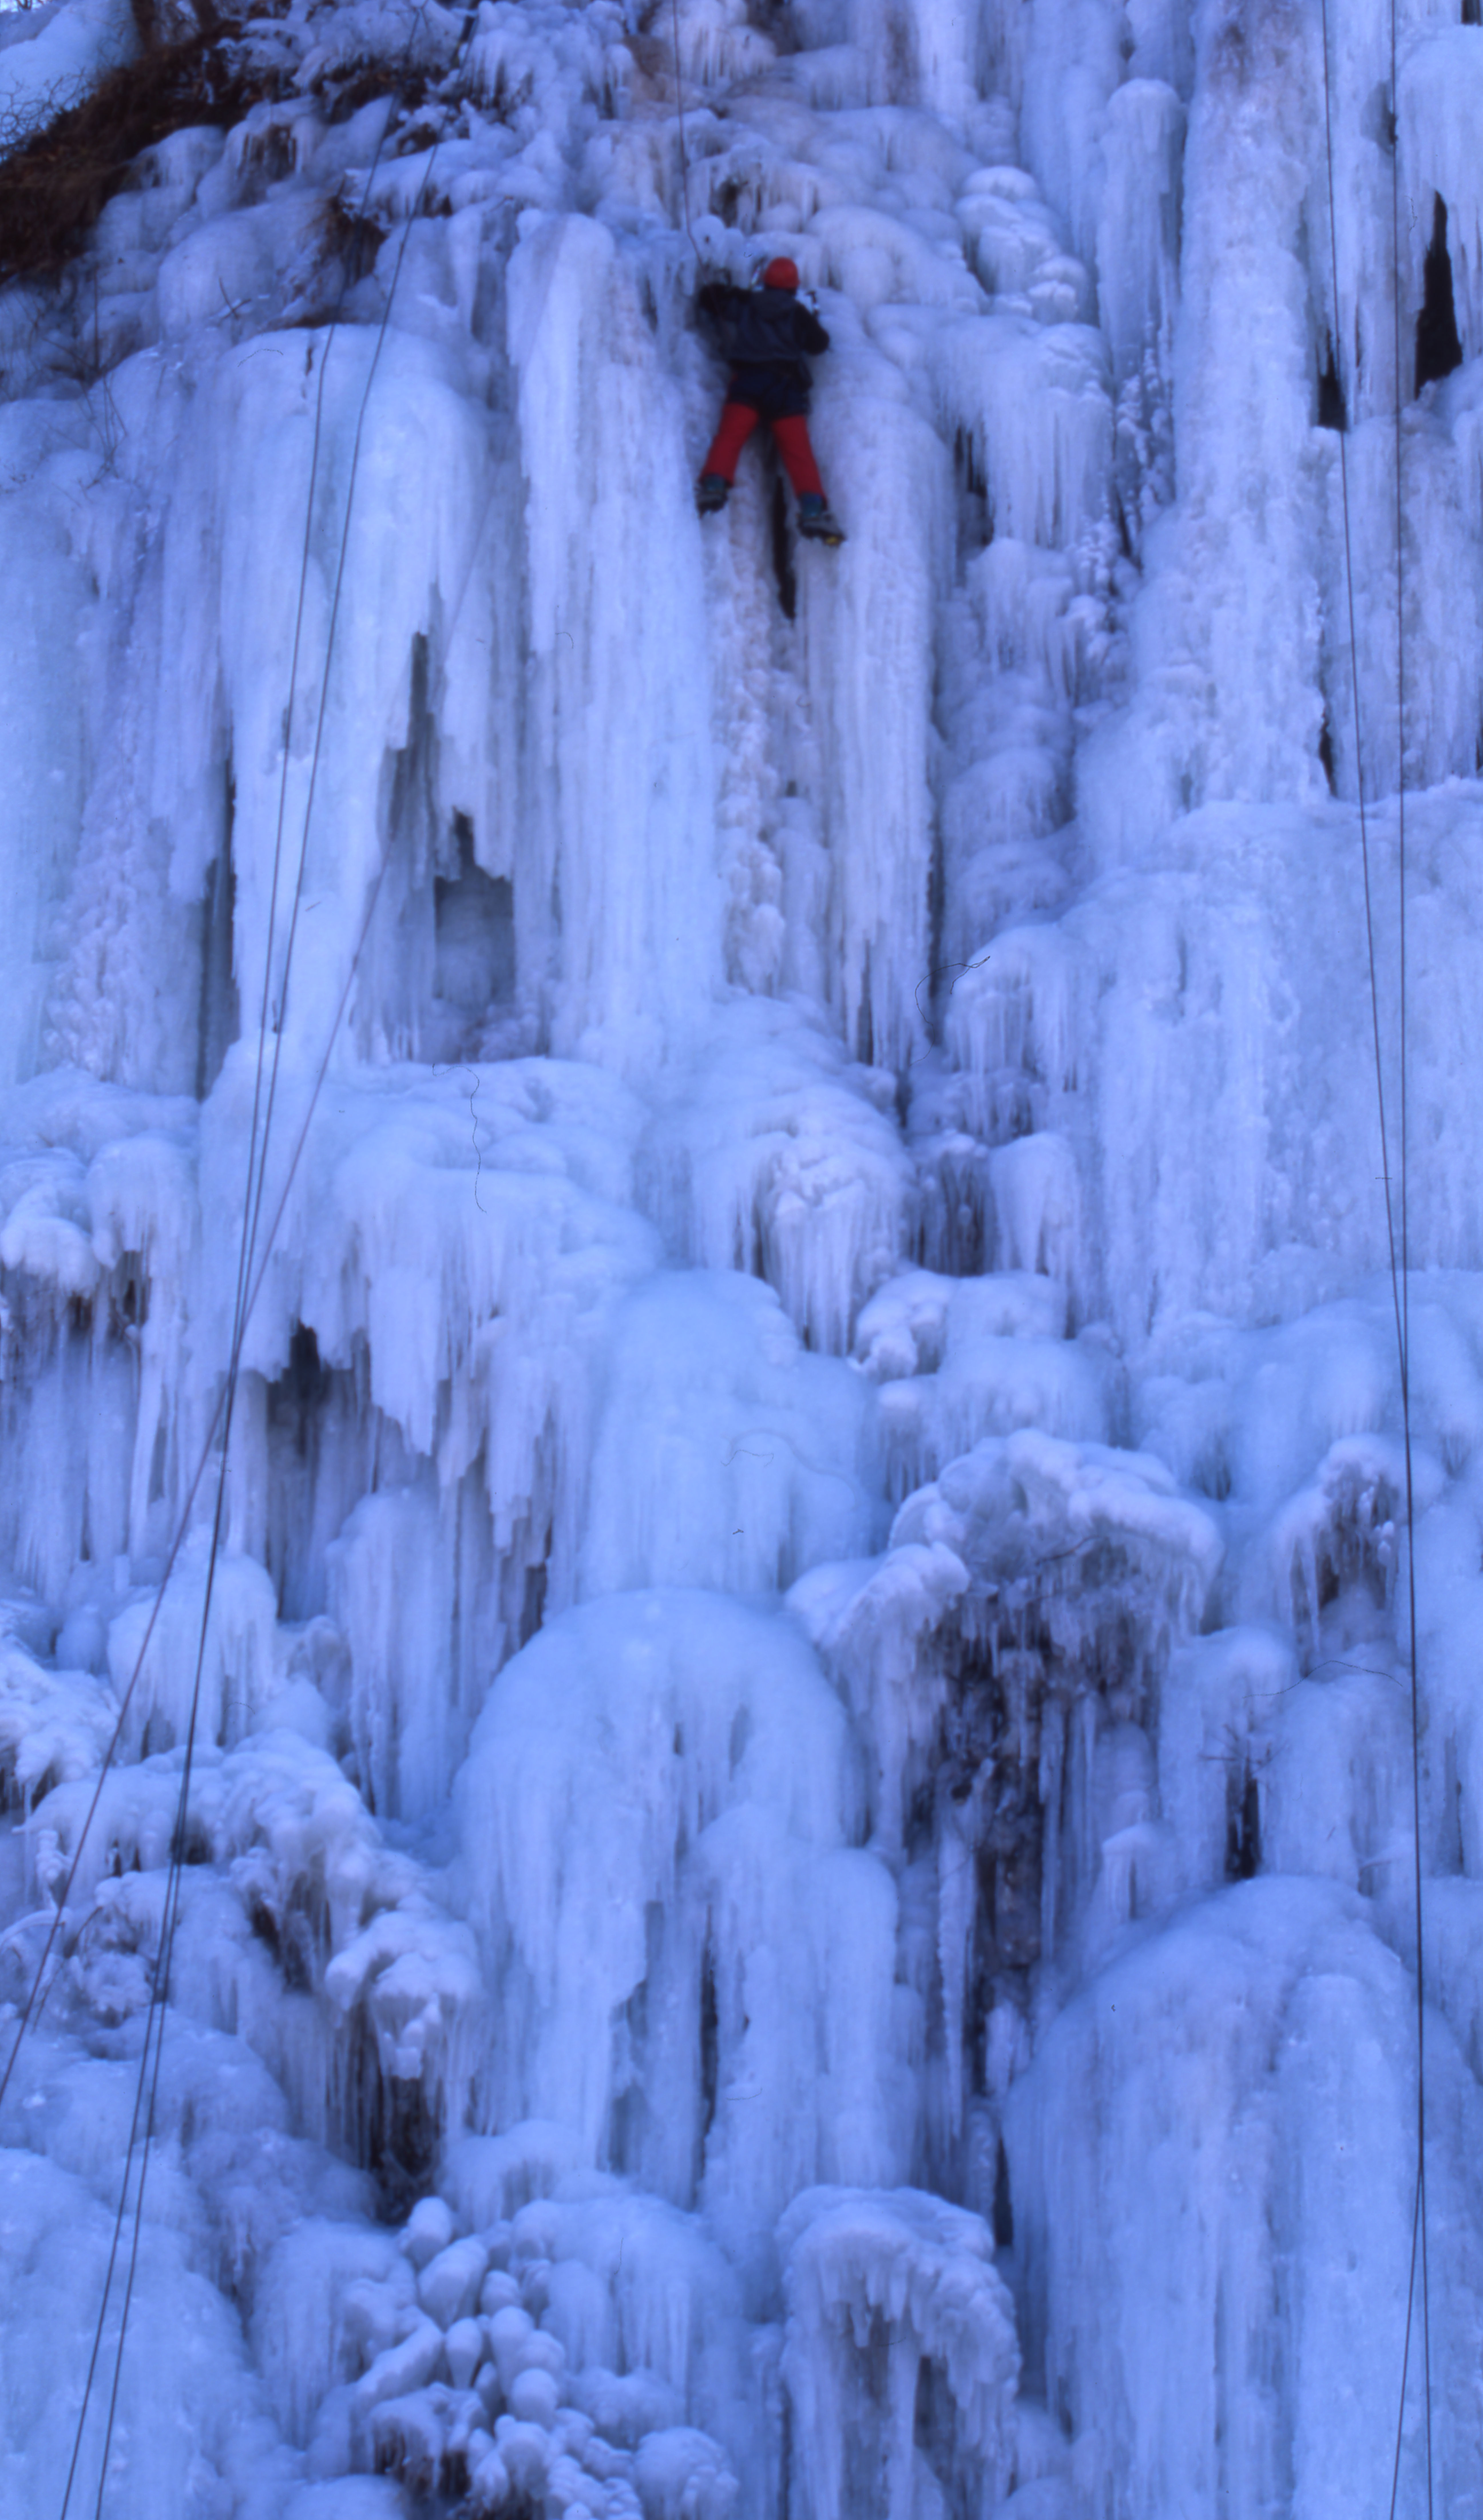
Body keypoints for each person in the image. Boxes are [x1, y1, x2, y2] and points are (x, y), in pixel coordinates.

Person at [695, 257, 845, 545]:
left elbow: (710, 299)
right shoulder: (798, 314)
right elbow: (820, 344)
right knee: (798, 452)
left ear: (766, 282)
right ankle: (813, 510)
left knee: (730, 436)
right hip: (784, 387)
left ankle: (713, 485)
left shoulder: (748, 303)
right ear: (793, 288)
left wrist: (724, 289)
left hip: (748, 382)